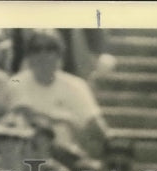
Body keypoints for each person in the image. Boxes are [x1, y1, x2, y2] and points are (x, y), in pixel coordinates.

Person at [8, 29, 108, 161]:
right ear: (28, 56)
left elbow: (97, 129)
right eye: (36, 49)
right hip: (24, 157)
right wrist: (60, 119)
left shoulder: (76, 86)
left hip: (68, 156)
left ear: (60, 54)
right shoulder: (16, 83)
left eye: (50, 48)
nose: (43, 54)